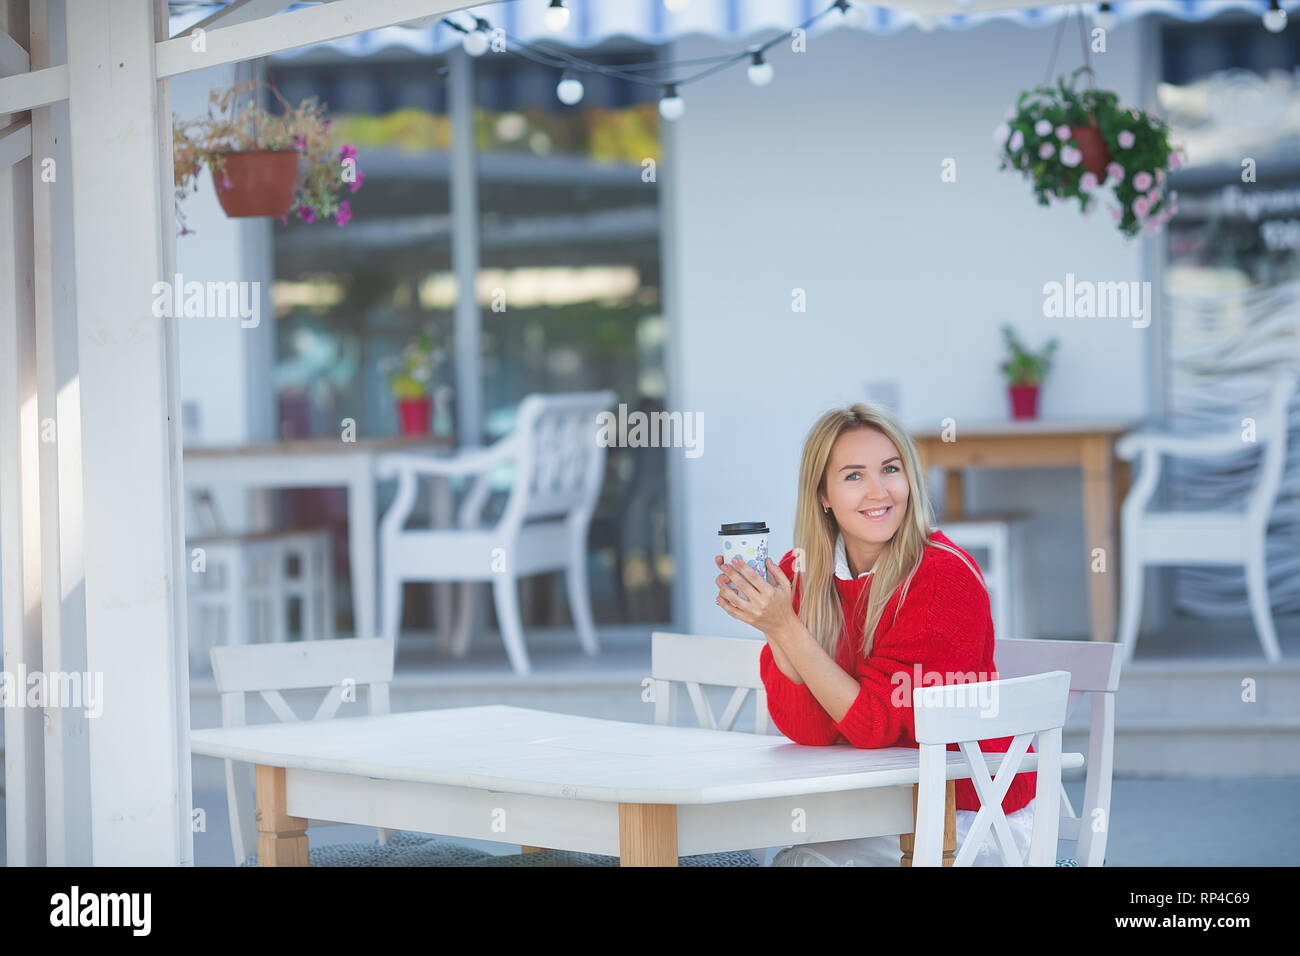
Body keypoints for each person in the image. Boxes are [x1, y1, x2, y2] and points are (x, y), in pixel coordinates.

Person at [713, 401, 1038, 866]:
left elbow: (872, 726)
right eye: (853, 476)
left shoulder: (942, 580)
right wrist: (777, 629)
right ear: (822, 495)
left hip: (972, 813)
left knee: (802, 863)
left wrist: (785, 626)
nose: (878, 491)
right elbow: (808, 730)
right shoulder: (802, 573)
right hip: (881, 806)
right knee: (780, 854)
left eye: (890, 469)